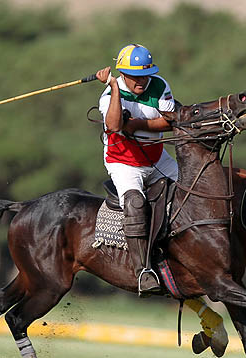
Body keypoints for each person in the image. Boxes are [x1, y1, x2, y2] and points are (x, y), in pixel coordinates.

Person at [96, 43, 178, 295]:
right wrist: (113, 89)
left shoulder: (159, 85)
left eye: (146, 73)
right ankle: (143, 271)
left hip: (157, 158)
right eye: (135, 76)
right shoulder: (109, 96)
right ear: (123, 75)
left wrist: (137, 124)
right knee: (134, 203)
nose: (142, 80)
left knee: (191, 190)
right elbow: (113, 126)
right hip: (123, 162)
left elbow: (170, 120)